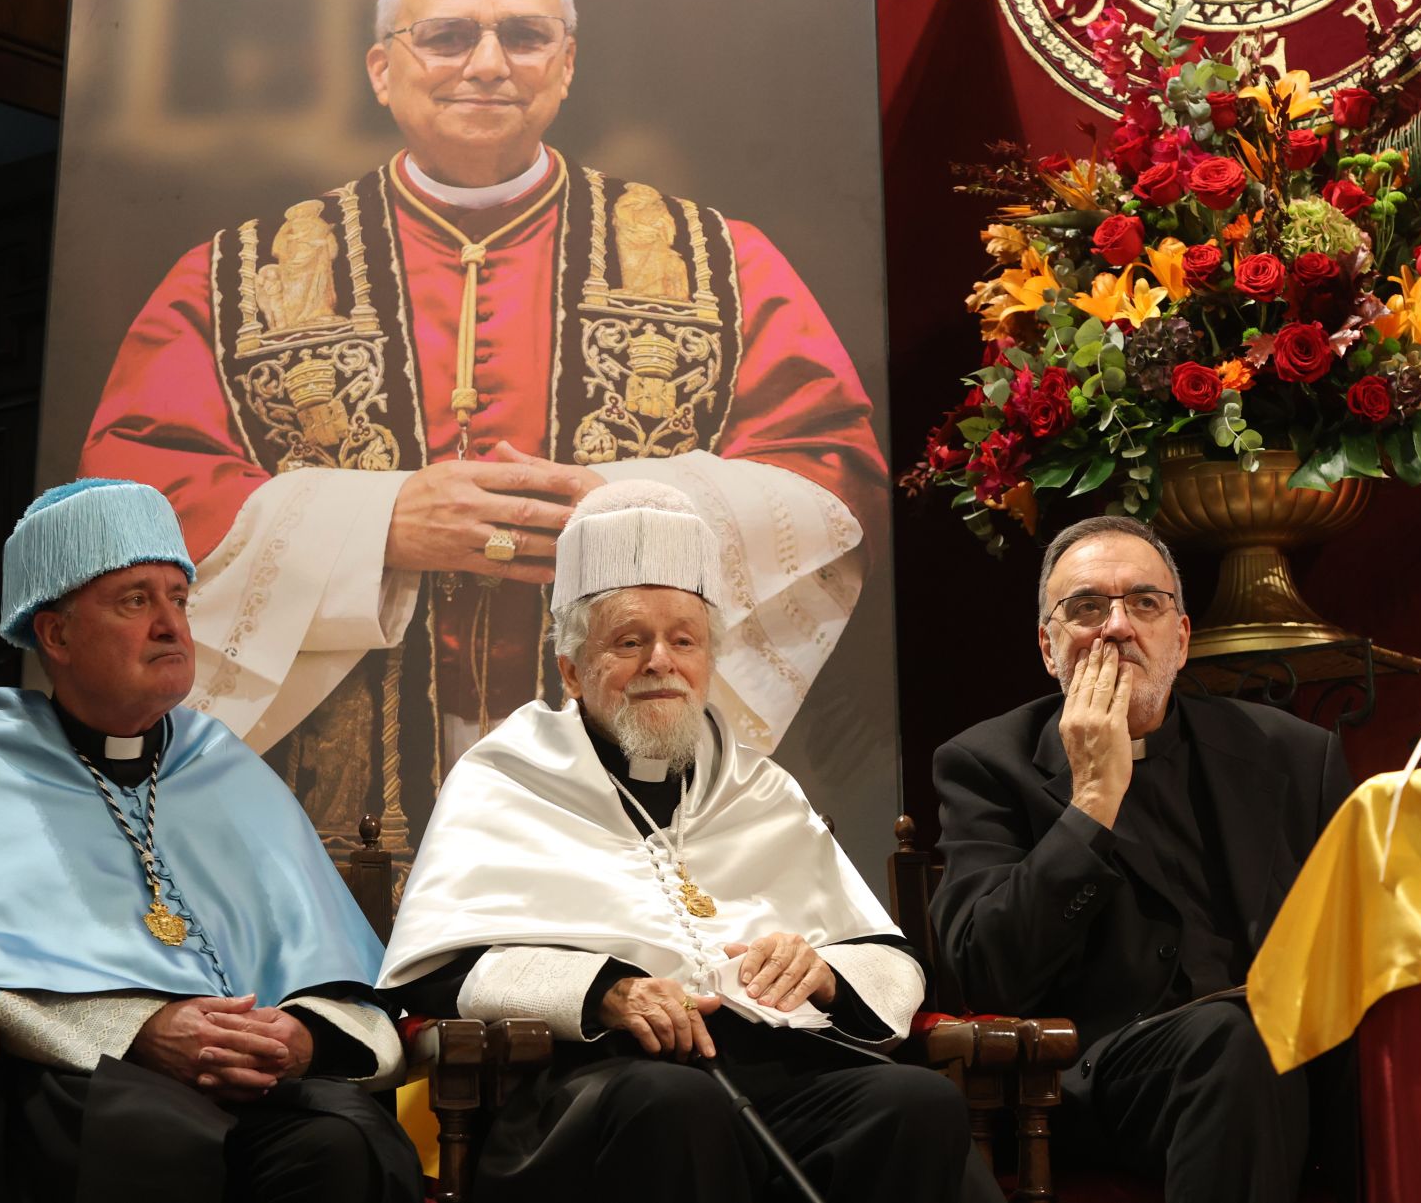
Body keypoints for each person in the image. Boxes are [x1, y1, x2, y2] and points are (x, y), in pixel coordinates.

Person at [77, 0, 885, 876]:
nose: (489, 64)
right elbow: (126, 504)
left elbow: (832, 479)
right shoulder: (237, 277)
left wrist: (632, 514)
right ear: (382, 68)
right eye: (449, 35)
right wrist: (375, 526)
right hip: (331, 799)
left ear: (568, 63)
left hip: (620, 770)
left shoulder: (719, 263)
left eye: (525, 35)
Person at [378, 480, 997, 1203]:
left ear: (708, 660)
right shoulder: (507, 776)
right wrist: (605, 990)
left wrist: (821, 969)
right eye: (629, 640)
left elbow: (884, 956)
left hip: (776, 1076)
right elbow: (437, 971)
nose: (660, 662)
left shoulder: (757, 788)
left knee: (915, 1102)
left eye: (684, 640)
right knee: (676, 1103)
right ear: (572, 668)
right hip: (590, 1086)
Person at [0, 478, 421, 1203]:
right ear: (55, 634)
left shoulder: (222, 764)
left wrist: (298, 1037)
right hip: (88, 1086)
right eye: (135, 600)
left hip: (256, 1087)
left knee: (349, 1140)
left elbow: (338, 978)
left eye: (178, 598)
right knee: (153, 1140)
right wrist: (141, 1027)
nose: (171, 626)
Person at [929, 515, 1355, 1203]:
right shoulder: (985, 764)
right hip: (1092, 1074)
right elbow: (988, 968)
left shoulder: (1294, 756)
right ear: (1048, 645)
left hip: (1276, 1055)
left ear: (1180, 639)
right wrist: (1092, 799)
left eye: (1145, 603)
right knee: (1236, 1039)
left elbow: (1357, 935)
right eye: (1087, 607)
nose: (1117, 626)